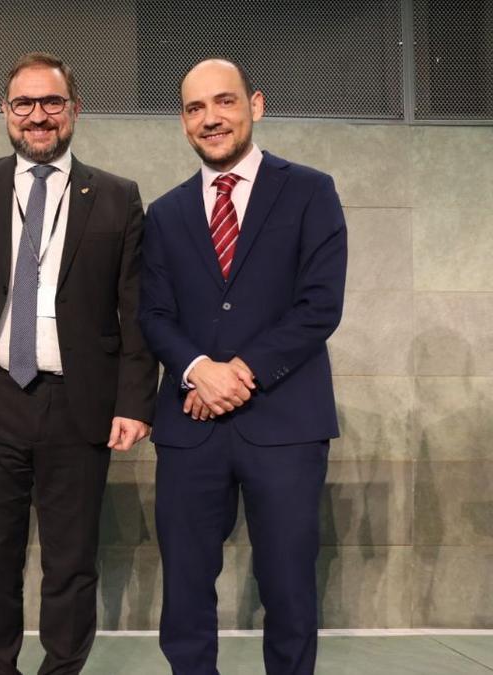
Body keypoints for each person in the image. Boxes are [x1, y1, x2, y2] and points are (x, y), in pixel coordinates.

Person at [0, 52, 157, 674]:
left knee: (71, 559)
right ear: (7, 113)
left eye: (52, 102)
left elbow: (134, 311)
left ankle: (63, 668)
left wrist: (135, 403)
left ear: (74, 110)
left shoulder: (116, 196)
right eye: (24, 104)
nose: (39, 116)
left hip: (77, 402)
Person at [139, 58, 347, 675]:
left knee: (287, 587)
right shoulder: (166, 213)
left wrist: (237, 373)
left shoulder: (311, 190)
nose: (211, 118)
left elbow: (319, 306)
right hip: (190, 429)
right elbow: (153, 315)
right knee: (184, 591)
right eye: (196, 108)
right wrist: (199, 367)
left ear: (255, 105)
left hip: (285, 425)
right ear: (183, 121)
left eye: (224, 102)